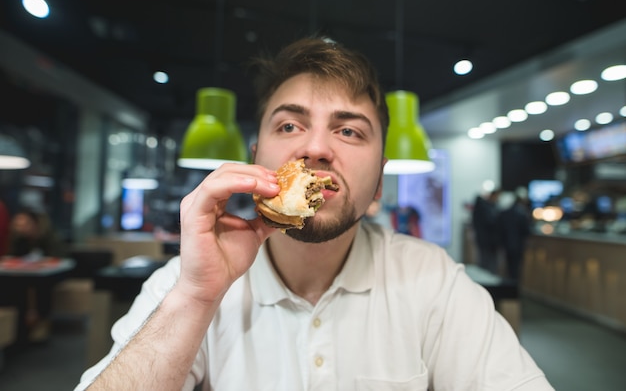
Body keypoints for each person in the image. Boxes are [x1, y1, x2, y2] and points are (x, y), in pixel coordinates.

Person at [75, 37, 553, 390]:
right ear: (257, 159)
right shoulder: (186, 282)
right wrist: (197, 298)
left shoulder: (433, 281)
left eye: (349, 132)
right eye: (290, 124)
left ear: (378, 185)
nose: (317, 147)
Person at [4, 208, 65, 342]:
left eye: (25, 224)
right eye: (18, 225)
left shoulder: (47, 237)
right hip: (24, 275)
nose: (21, 228)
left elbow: (59, 256)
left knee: (40, 284)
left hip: (51, 275)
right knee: (14, 284)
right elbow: (13, 257)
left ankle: (41, 322)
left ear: (34, 224)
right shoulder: (19, 239)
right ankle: (19, 325)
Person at [499, 195, 532, 282]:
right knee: (516, 268)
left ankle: (508, 286)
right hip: (518, 244)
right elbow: (526, 230)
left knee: (508, 267)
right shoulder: (521, 214)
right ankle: (514, 288)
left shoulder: (504, 213)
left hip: (506, 244)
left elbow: (500, 229)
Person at [471, 188, 502, 274]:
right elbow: (491, 222)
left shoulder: (483, 206)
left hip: (485, 239)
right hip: (488, 240)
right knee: (487, 264)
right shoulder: (487, 207)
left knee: (485, 262)